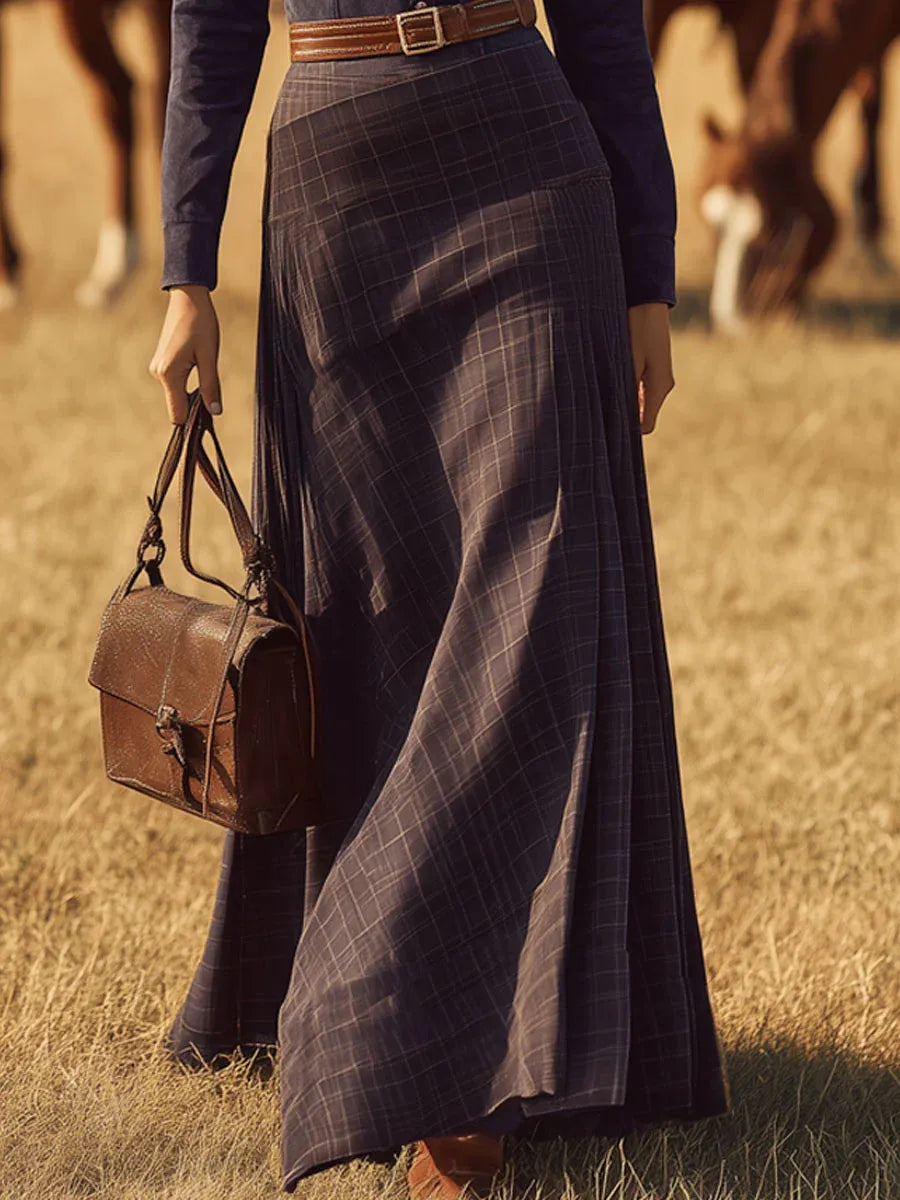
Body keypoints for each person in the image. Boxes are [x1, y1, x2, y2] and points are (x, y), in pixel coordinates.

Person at [148, 0, 731, 1196]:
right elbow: (209, 23)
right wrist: (185, 272)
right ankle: (385, 1010)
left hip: (526, 164)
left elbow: (605, 22)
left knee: (536, 608)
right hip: (337, 186)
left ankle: (461, 1081)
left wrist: (648, 276)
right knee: (366, 627)